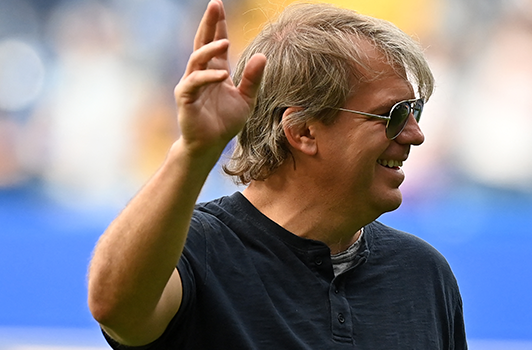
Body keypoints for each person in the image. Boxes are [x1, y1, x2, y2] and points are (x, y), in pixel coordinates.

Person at [87, 1, 467, 349]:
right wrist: (193, 152)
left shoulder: (424, 274)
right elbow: (113, 307)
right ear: (302, 131)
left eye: (415, 111)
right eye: (394, 114)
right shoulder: (195, 251)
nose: (415, 135)